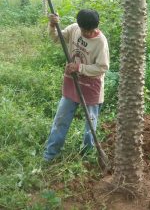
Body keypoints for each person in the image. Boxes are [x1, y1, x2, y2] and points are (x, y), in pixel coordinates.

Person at [44, 9, 109, 161]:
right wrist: (52, 25)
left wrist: (79, 68)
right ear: (79, 26)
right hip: (72, 82)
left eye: (90, 30)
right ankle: (50, 154)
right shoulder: (74, 29)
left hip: (92, 87)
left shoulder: (100, 41)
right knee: (61, 119)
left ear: (96, 27)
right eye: (84, 30)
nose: (86, 33)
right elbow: (56, 38)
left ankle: (86, 156)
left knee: (90, 127)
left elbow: (102, 67)